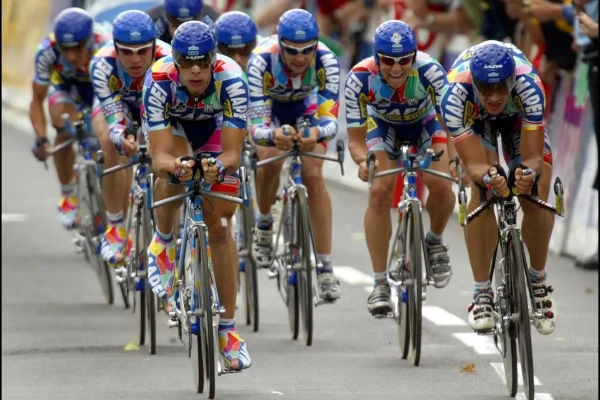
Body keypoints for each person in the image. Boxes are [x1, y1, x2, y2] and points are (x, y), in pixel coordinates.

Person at [142, 20, 251, 371]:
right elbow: (159, 158)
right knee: (176, 171)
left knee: (220, 227)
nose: (194, 70)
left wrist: (218, 167)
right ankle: (163, 242)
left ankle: (228, 330)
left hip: (214, 127)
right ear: (174, 60)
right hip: (174, 126)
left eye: (202, 62)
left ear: (213, 59)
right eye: (186, 63)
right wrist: (177, 167)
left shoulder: (232, 79)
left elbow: (232, 155)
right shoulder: (159, 80)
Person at [440, 40, 557, 335]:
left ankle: (538, 280)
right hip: (475, 121)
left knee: (535, 191)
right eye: (486, 88)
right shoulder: (454, 94)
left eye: (501, 88)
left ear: (512, 80)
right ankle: (482, 293)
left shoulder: (529, 86)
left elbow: (533, 159)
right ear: (474, 82)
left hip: (517, 119)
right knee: (483, 190)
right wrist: (490, 176)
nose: (494, 97)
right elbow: (474, 166)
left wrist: (527, 174)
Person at [345, 20, 457, 316]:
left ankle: (434, 241)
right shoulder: (360, 77)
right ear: (376, 57)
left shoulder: (431, 70)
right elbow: (355, 140)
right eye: (388, 61)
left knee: (442, 183)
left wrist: (454, 159)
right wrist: (363, 161)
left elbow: (450, 126)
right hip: (384, 127)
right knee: (379, 191)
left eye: (404, 60)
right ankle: (380, 282)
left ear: (414, 57)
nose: (396, 68)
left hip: (426, 124)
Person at [246, 8, 342, 302]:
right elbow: (256, 127)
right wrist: (272, 135)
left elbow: (330, 121)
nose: (300, 58)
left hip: (308, 111)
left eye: (307, 50)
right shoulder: (261, 61)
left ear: (316, 45)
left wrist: (317, 133)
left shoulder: (327, 60)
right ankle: (264, 223)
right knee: (269, 158)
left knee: (313, 174)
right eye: (292, 51)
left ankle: (325, 268)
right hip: (271, 113)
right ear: (280, 44)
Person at [90, 10, 172, 264]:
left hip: (154, 106)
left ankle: (170, 234)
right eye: (126, 52)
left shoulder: (169, 60)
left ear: (154, 46)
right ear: (115, 48)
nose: (135, 59)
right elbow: (114, 120)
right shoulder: (102, 64)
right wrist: (123, 137)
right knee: (109, 142)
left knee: (167, 150)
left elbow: (168, 113)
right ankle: (116, 226)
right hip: (118, 105)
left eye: (142, 51)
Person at [30, 8, 112, 230]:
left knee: (106, 137)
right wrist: (41, 138)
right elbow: (36, 100)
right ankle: (67, 195)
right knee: (63, 126)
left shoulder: (106, 46)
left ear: (89, 40)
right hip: (67, 90)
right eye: (64, 49)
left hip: (100, 90)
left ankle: (109, 201)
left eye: (77, 48)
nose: (71, 56)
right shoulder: (46, 51)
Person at [147, 0, 220, 43]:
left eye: (191, 27)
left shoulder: (214, 21)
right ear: (167, 19)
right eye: (177, 26)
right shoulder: (151, 21)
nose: (184, 33)